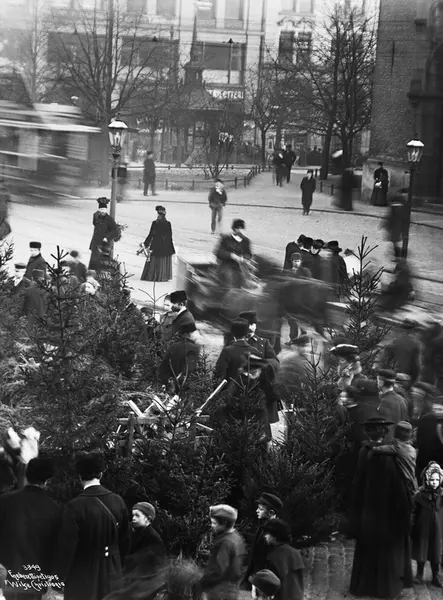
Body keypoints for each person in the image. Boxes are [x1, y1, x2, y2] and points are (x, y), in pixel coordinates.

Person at [349, 416, 414, 598]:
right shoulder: (389, 455)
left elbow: (358, 482)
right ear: (384, 432)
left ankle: (364, 585)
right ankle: (386, 587)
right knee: (387, 550)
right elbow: (398, 486)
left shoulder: (364, 451)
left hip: (368, 509)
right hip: (386, 512)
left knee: (368, 546)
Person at [55, 451, 131, 600]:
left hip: (83, 574)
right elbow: (126, 541)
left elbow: (67, 547)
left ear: (79, 476)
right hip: (113, 571)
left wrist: (59, 577)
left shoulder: (74, 506)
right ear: (101, 474)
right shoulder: (118, 501)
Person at [0, 458, 62, 600]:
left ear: (26, 475)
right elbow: (56, 549)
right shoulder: (55, 509)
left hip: (7, 577)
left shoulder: (4, 502)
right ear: (47, 480)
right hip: (36, 580)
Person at [200, 504, 246, 600]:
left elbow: (218, 570)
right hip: (232, 590)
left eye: (214, 523)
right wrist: (211, 555)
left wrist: (201, 583)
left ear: (224, 523)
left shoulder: (225, 543)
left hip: (219, 592)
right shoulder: (236, 537)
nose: (212, 526)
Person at [411, 461, 443, 587]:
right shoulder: (420, 495)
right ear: (427, 479)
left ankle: (435, 575)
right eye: (432, 479)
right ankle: (419, 574)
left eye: (437, 480)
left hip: (437, 527)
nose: (434, 482)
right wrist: (413, 524)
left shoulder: (441, 495)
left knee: (435, 551)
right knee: (422, 549)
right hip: (423, 527)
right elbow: (414, 511)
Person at [124, 502, 167, 585]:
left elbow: (158, 564)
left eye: (137, 515)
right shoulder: (132, 532)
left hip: (144, 582)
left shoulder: (153, 538)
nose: (133, 518)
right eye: (133, 515)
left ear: (148, 519)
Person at [370, 421, 418, 495]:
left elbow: (377, 449)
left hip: (404, 483)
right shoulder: (412, 449)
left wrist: (370, 445)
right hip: (412, 481)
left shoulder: (398, 448)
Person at [244, 493, 283, 583]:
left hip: (265, 578)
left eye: (261, 509)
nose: (257, 511)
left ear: (271, 513)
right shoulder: (263, 527)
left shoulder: (276, 533)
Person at [263, 519, 304, 600]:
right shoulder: (295, 552)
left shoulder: (274, 556)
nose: (265, 536)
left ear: (275, 536)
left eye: (267, 533)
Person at [158, 322, 200, 390]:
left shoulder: (174, 346)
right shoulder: (194, 348)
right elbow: (189, 371)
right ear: (189, 334)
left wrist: (166, 382)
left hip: (168, 383)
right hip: (181, 387)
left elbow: (163, 366)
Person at [215, 219, 252, 289]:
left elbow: (248, 254)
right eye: (238, 228)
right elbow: (219, 253)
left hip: (241, 267)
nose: (240, 231)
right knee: (232, 278)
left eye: (242, 229)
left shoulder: (246, 241)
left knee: (249, 282)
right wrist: (231, 255)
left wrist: (244, 258)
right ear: (234, 229)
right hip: (225, 266)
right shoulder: (226, 239)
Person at [381, 319, 421, 384]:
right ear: (413, 330)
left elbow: (384, 360)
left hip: (391, 376)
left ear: (401, 328)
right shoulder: (415, 344)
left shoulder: (394, 342)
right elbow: (416, 366)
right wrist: (413, 381)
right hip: (405, 378)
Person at [141, 206, 175, 282]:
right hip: (161, 245)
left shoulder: (161, 223)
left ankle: (157, 276)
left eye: (159, 215)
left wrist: (146, 244)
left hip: (159, 245)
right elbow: (152, 234)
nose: (158, 216)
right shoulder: (161, 223)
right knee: (157, 260)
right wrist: (145, 244)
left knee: (156, 260)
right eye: (158, 214)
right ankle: (160, 276)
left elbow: (168, 236)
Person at [376, 369, 409, 441]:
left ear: (381, 382)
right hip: (398, 443)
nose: (377, 383)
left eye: (378, 381)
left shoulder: (384, 402)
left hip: (386, 443)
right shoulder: (403, 400)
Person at [415, 395, 443, 475]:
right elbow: (418, 440)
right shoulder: (425, 420)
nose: (436, 412)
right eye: (435, 409)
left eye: (440, 409)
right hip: (424, 463)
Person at [89, 198, 118, 270]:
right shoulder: (97, 217)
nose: (103, 211)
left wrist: (107, 238)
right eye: (101, 209)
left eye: (104, 209)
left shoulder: (109, 219)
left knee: (101, 262)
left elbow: (115, 231)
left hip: (103, 245)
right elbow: (94, 223)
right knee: (93, 261)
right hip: (95, 243)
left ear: (106, 210)